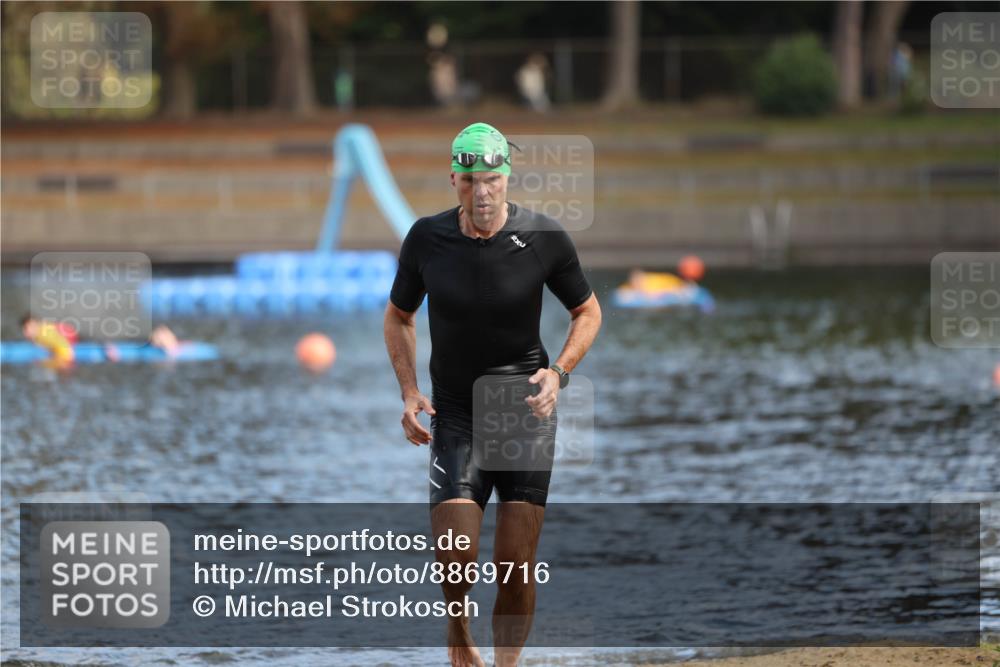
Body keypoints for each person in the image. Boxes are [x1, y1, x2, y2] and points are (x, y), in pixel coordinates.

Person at [384, 122, 602, 667]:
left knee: (514, 564)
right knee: (455, 555)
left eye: (492, 180)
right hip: (456, 412)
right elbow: (399, 316)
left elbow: (587, 312)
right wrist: (409, 391)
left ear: (507, 177)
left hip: (522, 413)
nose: (481, 192)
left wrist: (559, 372)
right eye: (470, 181)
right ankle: (458, 627)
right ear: (453, 180)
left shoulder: (544, 238)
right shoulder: (426, 239)